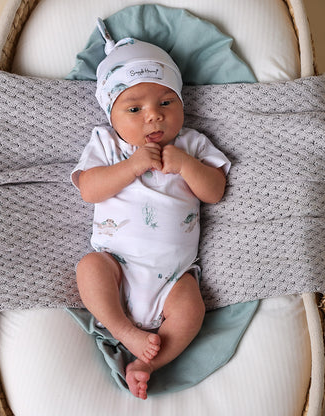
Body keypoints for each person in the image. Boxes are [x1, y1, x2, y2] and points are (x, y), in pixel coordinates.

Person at [71, 20, 230, 400]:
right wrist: (131, 166)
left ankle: (148, 364)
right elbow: (89, 190)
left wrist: (187, 166)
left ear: (181, 104)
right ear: (111, 115)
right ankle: (123, 330)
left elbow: (214, 192)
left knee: (192, 309)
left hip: (173, 278)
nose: (154, 116)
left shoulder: (192, 144)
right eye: (134, 108)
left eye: (165, 103)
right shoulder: (108, 145)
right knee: (89, 268)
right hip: (117, 265)